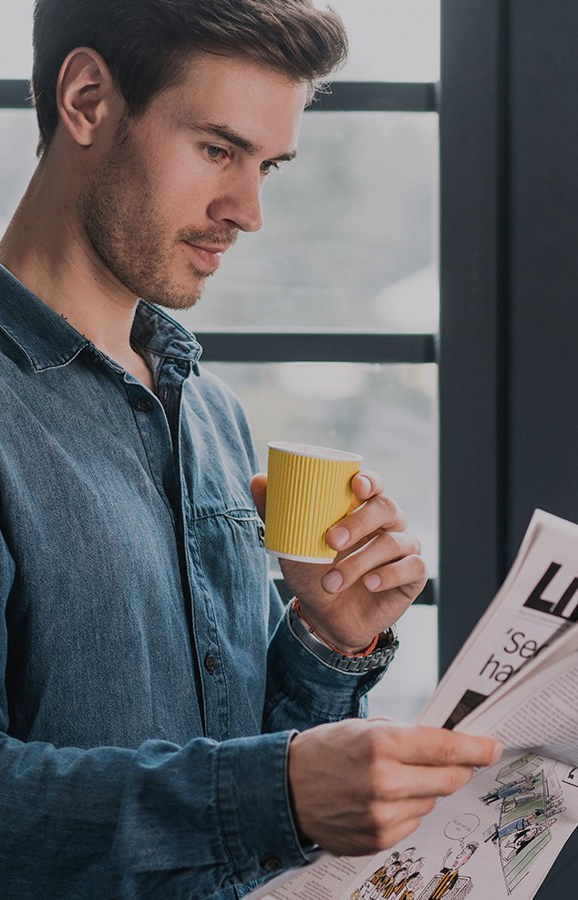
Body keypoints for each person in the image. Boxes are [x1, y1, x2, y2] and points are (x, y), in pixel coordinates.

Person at [0, 1, 502, 897]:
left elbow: (242, 789)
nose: (249, 212)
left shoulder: (215, 418)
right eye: (218, 150)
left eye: (267, 165)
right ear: (84, 99)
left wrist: (328, 644)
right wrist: (280, 796)